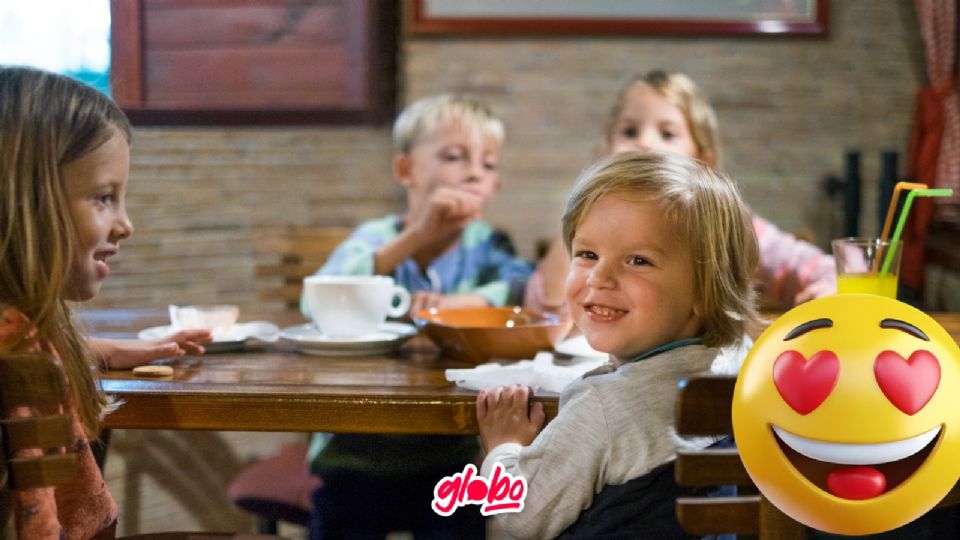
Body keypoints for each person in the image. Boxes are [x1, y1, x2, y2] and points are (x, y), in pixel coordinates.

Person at [477, 151, 760, 539]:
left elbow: (520, 518)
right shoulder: (740, 359)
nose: (599, 277)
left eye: (638, 261)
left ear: (707, 290)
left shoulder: (602, 409)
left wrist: (503, 447)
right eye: (588, 254)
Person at [304, 94, 532, 539]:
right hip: (356, 453)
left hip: (451, 457)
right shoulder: (376, 237)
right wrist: (417, 236)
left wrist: (457, 307)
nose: (474, 173)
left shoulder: (488, 246)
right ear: (406, 170)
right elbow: (317, 301)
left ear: (495, 185)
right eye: (453, 156)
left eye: (488, 164)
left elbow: (521, 283)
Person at [0, 66, 208, 538]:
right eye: (103, 198)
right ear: (25, 201)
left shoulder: (18, 336)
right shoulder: (22, 358)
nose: (125, 225)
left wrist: (103, 350)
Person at [526, 70, 835, 315]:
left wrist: (830, 287)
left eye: (667, 133)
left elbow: (822, 268)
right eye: (629, 131)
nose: (645, 143)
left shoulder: (729, 226)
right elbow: (541, 306)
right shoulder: (590, 225)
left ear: (704, 160)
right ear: (605, 152)